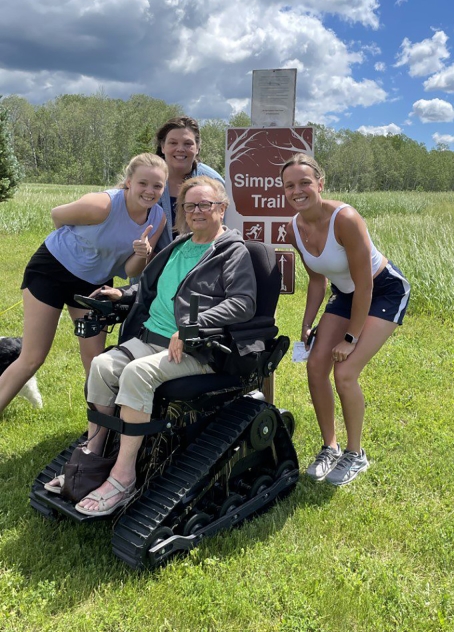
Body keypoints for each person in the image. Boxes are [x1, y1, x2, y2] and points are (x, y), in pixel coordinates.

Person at [45, 176, 256, 516]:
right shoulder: (181, 244)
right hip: (151, 339)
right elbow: (152, 288)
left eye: (205, 204)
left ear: (222, 208)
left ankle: (123, 476)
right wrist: (123, 294)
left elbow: (242, 303)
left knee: (135, 374)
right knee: (101, 366)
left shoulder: (232, 251)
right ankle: (93, 455)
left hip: (197, 350)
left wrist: (191, 327)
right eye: (190, 205)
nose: (197, 211)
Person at [0, 153, 167, 415]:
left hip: (94, 283)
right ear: (128, 182)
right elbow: (58, 216)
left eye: (157, 186)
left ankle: (102, 425)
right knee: (33, 357)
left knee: (96, 361)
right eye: (143, 183)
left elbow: (129, 270)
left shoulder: (158, 218)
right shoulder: (102, 205)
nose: (150, 191)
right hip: (52, 270)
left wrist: (143, 253)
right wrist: (78, 248)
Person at [281, 153, 410, 486]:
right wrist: (308, 324)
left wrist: (350, 338)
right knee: (314, 367)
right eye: (289, 185)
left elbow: (365, 283)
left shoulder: (345, 218)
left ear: (320, 184)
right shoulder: (293, 228)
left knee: (346, 371)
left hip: (382, 291)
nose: (298, 190)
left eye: (305, 182)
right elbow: (317, 280)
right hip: (345, 292)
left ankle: (356, 454)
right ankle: (331, 447)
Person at [151, 115, 225, 252]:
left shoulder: (214, 182)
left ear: (197, 148)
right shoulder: (147, 178)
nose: (180, 149)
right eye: (173, 143)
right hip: (155, 264)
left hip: (202, 263)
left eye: (188, 144)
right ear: (162, 147)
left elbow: (224, 228)